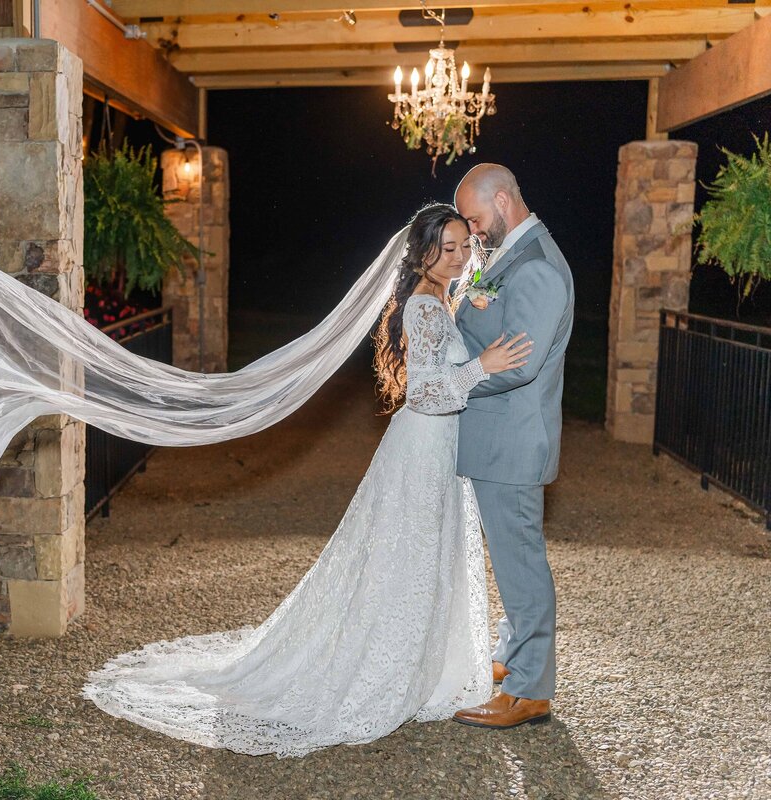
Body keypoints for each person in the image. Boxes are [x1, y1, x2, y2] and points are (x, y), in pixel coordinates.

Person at [80, 203, 533, 757]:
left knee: (417, 557)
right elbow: (425, 393)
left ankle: (425, 664)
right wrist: (481, 366)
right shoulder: (422, 306)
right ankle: (388, 672)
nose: (461, 257)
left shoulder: (441, 297)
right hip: (424, 444)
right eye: (449, 248)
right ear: (424, 252)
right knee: (404, 558)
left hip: (436, 448)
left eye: (466, 247)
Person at [451, 164, 575, 729]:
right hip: (494, 437)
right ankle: (511, 657)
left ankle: (529, 691)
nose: (474, 233)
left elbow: (516, 365)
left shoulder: (540, 268)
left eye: (476, 221)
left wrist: (452, 375)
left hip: (513, 440)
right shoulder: (506, 258)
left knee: (521, 563)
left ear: (503, 201)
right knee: (508, 557)